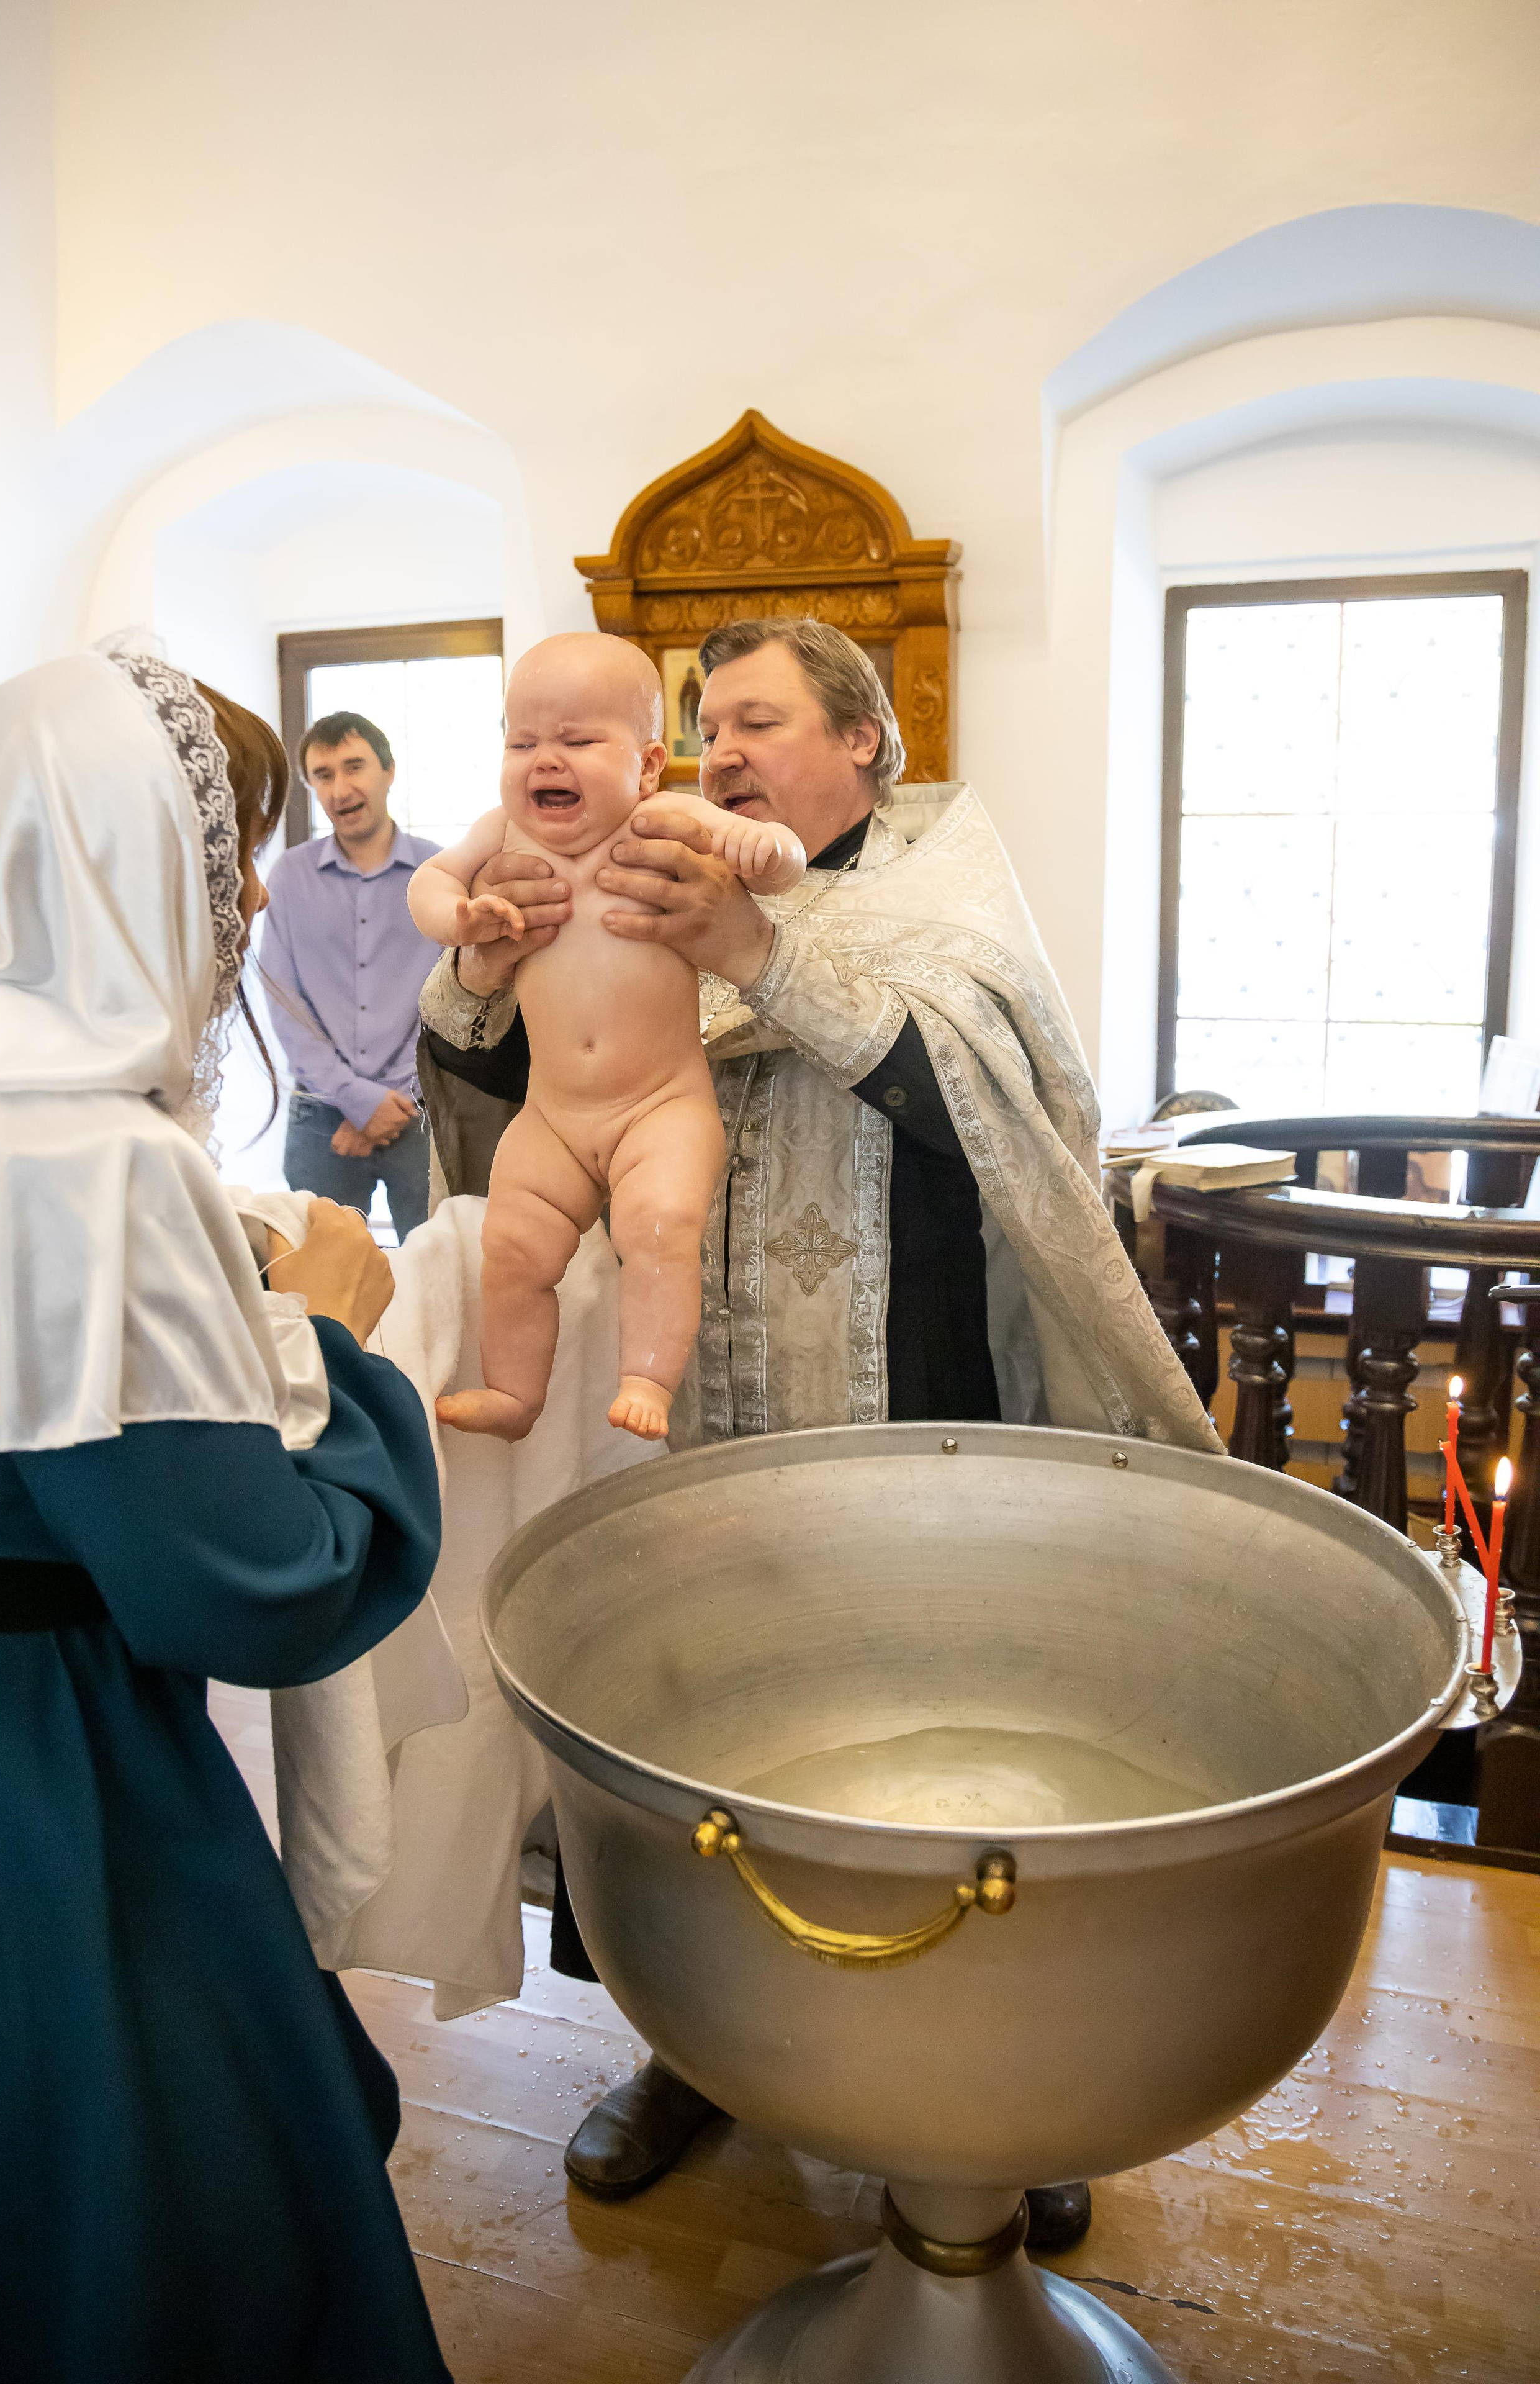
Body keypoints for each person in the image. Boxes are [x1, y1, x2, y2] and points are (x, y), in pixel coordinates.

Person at [417, 617, 1222, 2251]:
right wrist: (487, 960)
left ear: (868, 741)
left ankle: (1005, 2100)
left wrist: (763, 950)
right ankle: (691, 2048)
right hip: (674, 1411)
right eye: (703, 727)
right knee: (685, 1731)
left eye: (760, 723)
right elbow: (486, 1087)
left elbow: (1006, 1107)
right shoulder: (623, 863)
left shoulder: (944, 899)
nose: (720, 753)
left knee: (946, 1745)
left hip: (911, 1415)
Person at [0, 644, 451, 2382]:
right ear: (145, 860)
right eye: (228, 855)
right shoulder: (92, 1158)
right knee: (160, 2215)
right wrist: (332, 1338)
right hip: (35, 1777)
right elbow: (248, 1588)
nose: (241, 907)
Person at [407, 633, 802, 1442]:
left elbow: (776, 861)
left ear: (649, 764)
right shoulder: (502, 839)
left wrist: (767, 848)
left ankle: (647, 1378)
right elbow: (432, 880)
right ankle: (516, 1395)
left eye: (579, 741)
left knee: (659, 1226)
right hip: (552, 1113)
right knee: (512, 1247)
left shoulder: (666, 821)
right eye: (523, 742)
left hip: (660, 1105)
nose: (544, 759)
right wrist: (459, 918)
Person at [262, 710, 440, 1240]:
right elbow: (283, 1001)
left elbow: (453, 999)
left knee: (437, 1283)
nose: (340, 788)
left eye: (355, 767)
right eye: (323, 774)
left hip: (420, 1110)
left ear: (388, 772)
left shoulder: (440, 874)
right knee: (320, 1290)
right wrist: (357, 1100)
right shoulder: (289, 877)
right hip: (321, 1117)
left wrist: (389, 1102)